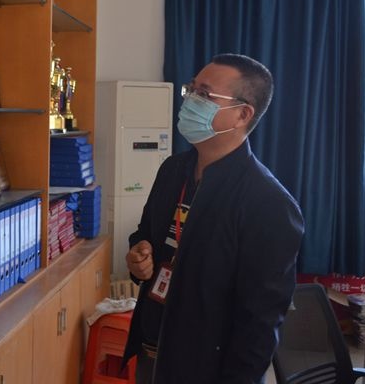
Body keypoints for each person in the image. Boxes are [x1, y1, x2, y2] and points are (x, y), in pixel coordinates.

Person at [122, 53, 304, 384]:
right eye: (192, 89)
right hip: (151, 349)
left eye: (204, 94)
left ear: (242, 114)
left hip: (206, 367)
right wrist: (139, 257)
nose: (191, 99)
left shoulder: (269, 203)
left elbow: (260, 324)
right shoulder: (173, 170)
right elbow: (144, 235)